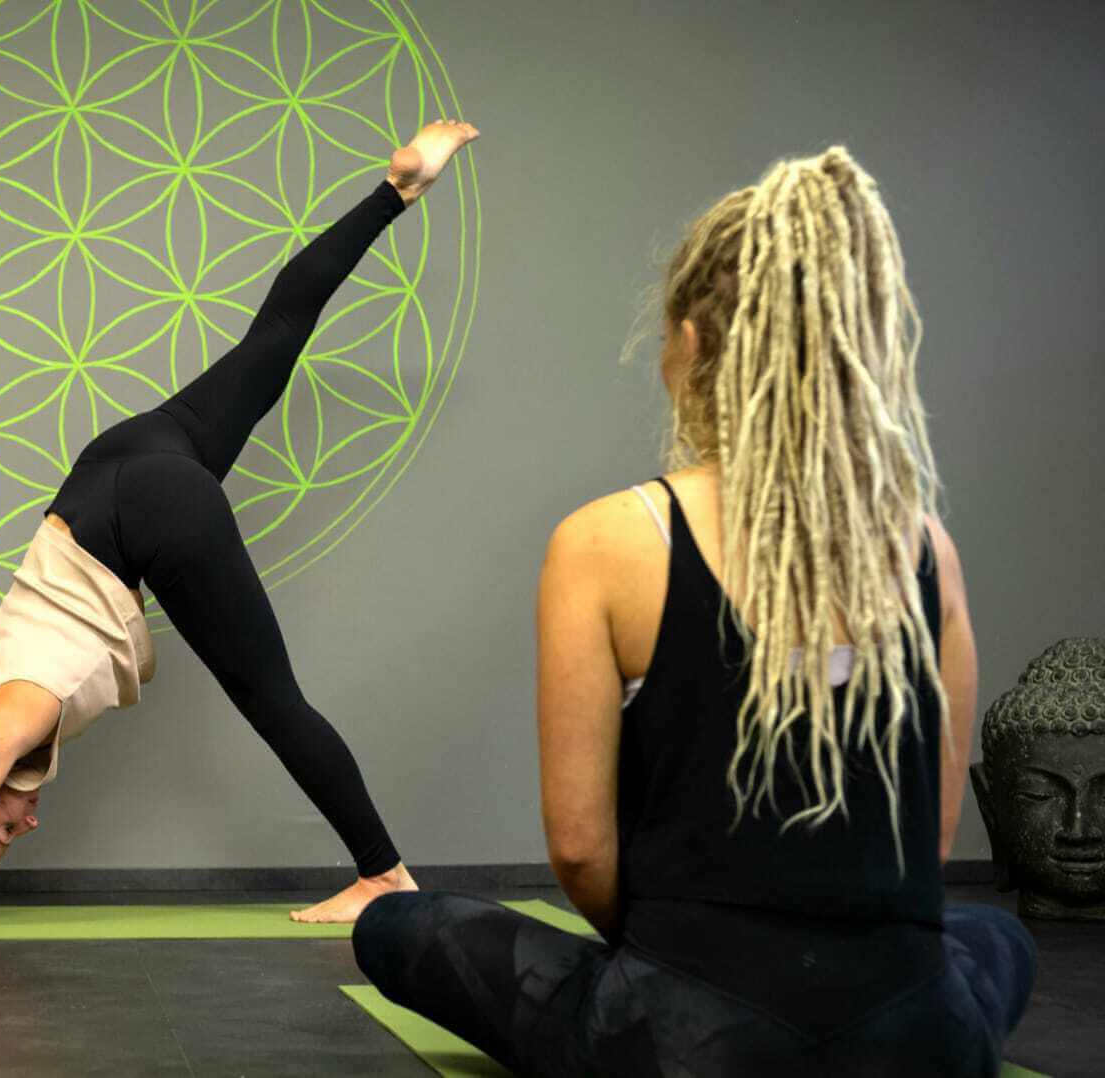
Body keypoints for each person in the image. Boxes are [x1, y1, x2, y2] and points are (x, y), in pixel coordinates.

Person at [353, 147, 1037, 1075]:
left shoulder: (609, 540)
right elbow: (931, 844)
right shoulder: (925, 547)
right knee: (997, 935)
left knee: (397, 923)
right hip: (917, 1038)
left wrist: (672, 965)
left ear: (689, 340)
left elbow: (582, 851)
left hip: (680, 1040)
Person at [0, 120, 481, 937]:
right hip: (114, 467)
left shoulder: (0, 731)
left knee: (274, 701)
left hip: (142, 513)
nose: (25, 826)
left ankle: (383, 876)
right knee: (274, 336)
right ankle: (398, 189)